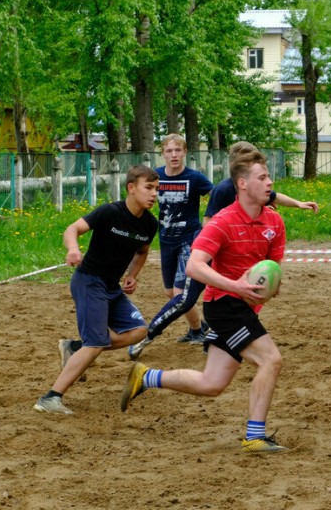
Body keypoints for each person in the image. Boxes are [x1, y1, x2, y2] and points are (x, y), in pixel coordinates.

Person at [121, 149, 289, 453]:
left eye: (269, 177)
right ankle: (254, 435)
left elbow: (273, 271)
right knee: (271, 359)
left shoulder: (275, 224)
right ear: (242, 183)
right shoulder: (222, 222)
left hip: (243, 306)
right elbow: (194, 266)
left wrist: (269, 287)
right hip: (224, 304)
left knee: (212, 384)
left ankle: (147, 377)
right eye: (262, 177)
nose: (269, 183)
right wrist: (235, 285)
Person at [126, 141, 319, 361]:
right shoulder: (224, 189)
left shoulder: (255, 191)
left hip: (227, 257)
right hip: (207, 255)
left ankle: (213, 337)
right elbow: (208, 223)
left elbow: (275, 196)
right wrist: (217, 247)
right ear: (239, 172)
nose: (264, 178)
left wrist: (299, 203)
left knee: (238, 297)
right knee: (184, 300)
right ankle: (148, 335)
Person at [34, 165, 159, 415]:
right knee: (97, 342)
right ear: (131, 188)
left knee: (139, 331)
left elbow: (142, 251)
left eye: (157, 189)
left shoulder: (149, 224)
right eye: (149, 188)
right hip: (88, 281)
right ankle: (50, 398)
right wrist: (73, 249)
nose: (154, 193)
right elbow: (72, 229)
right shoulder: (110, 212)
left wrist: (133, 275)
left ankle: (76, 348)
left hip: (112, 288)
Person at [153, 135, 213, 345]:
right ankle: (198, 328)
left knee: (180, 293)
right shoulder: (156, 176)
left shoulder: (195, 178)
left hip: (189, 241)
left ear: (185, 152)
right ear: (163, 154)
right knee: (170, 292)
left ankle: (197, 332)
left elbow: (216, 195)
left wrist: (212, 222)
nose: (174, 155)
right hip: (165, 241)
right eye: (169, 151)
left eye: (178, 150)